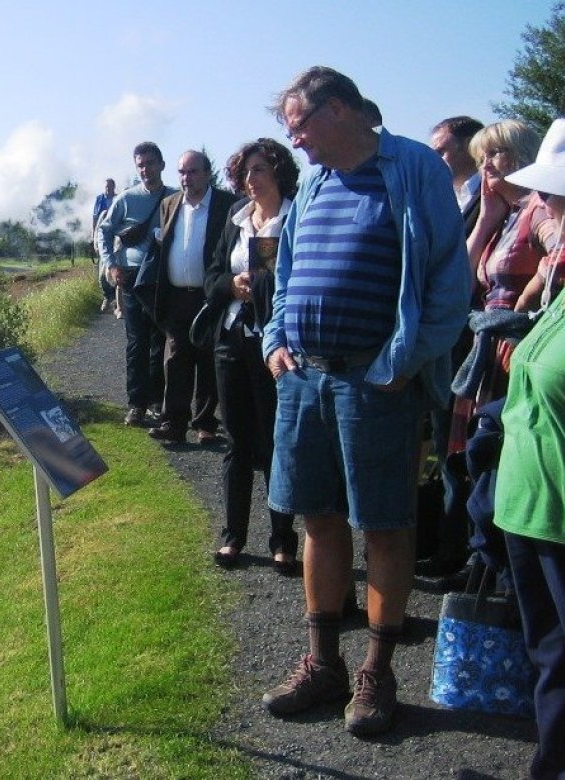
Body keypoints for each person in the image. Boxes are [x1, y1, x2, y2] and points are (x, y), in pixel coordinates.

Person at [260, 67, 470, 736]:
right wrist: (275, 340)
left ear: (341, 109)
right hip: (304, 379)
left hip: (374, 382)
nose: (294, 141)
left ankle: (377, 672)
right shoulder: (315, 181)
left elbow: (448, 279)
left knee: (384, 526)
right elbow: (287, 273)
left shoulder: (412, 168)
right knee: (317, 520)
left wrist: (403, 363)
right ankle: (323, 664)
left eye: (299, 125)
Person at [494, 117, 565, 780]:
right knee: (550, 653)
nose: (543, 208)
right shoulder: (559, 288)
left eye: (556, 198)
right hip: (532, 509)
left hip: (558, 513)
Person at [203, 139, 299, 571]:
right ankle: (233, 537)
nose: (250, 179)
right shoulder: (236, 219)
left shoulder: (295, 217)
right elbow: (212, 276)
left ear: (278, 171)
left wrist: (259, 284)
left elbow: (299, 280)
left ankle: (283, 539)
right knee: (236, 441)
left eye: (258, 169)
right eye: (244, 172)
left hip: (276, 344)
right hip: (231, 339)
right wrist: (231, 285)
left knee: (276, 441)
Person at [447, 120, 557, 456]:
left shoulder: (538, 208)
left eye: (496, 152)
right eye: (481, 158)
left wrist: (524, 301)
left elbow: (560, 255)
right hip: (491, 351)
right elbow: (460, 283)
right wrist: (484, 221)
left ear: (523, 154)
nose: (486, 164)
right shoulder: (505, 215)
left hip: (520, 347)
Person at [416, 115, 487, 580]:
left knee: (460, 448)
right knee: (438, 446)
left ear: (468, 147)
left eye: (444, 149)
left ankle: (459, 550)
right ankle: (439, 541)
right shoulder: (444, 199)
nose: (437, 158)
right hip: (440, 335)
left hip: (469, 338)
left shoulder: (485, 200)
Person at [147, 151, 235, 445]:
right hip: (176, 296)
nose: (187, 178)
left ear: (208, 173)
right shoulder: (169, 204)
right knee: (175, 361)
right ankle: (174, 424)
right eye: (182, 172)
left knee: (209, 360)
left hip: (209, 296)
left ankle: (206, 424)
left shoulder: (227, 204)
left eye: (193, 172)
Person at [98, 142, 175, 427]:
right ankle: (136, 404)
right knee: (136, 342)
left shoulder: (175, 198)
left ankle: (157, 402)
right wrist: (111, 264)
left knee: (159, 342)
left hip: (162, 278)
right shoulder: (126, 199)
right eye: (140, 165)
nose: (145, 169)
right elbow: (104, 231)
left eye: (150, 163)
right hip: (131, 277)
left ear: (162, 165)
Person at [431, 116, 485, 234]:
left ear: (470, 146)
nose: (434, 160)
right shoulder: (436, 200)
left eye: (441, 152)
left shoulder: (497, 195)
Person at [92, 178, 118, 314]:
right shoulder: (99, 199)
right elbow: (95, 219)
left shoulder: (118, 199)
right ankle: (107, 296)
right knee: (103, 270)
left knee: (116, 267)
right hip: (103, 237)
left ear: (114, 187)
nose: (108, 189)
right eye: (106, 187)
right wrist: (94, 238)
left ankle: (116, 299)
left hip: (116, 238)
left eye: (110, 186)